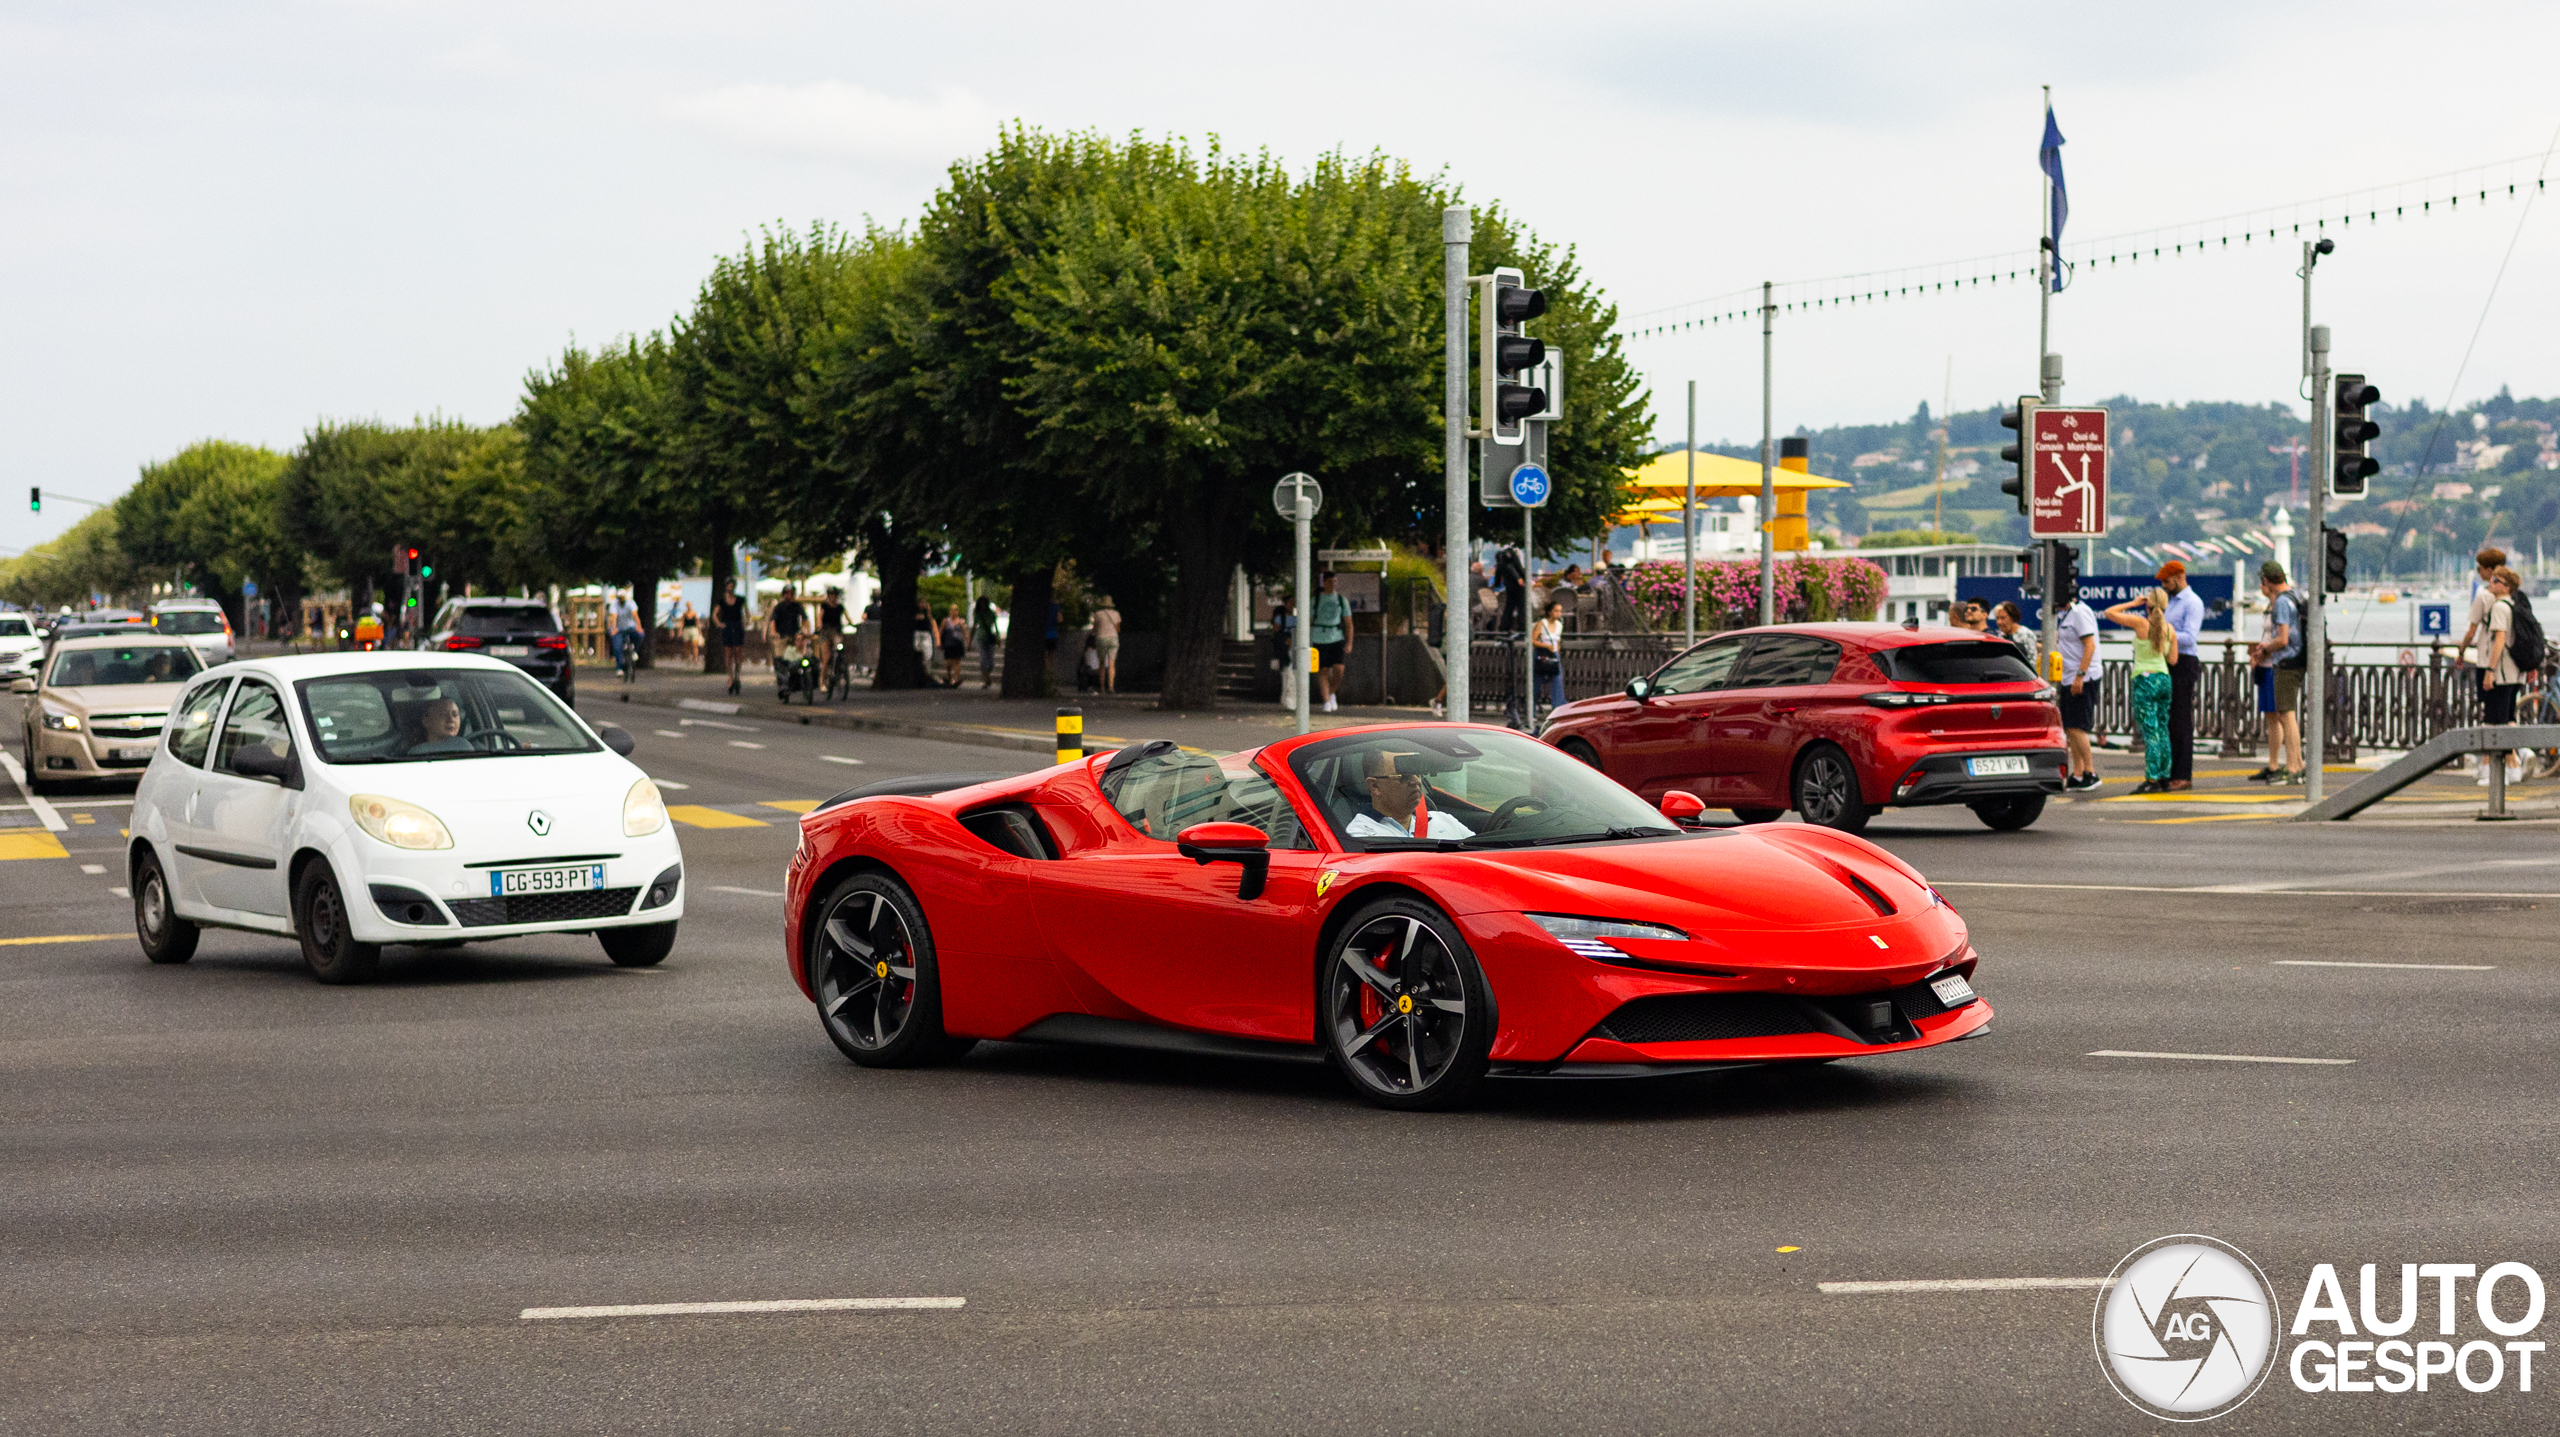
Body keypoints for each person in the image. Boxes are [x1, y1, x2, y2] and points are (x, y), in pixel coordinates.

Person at [2104, 589, 2180, 794]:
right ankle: (2164, 777)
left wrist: (2132, 603)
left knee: (2150, 731)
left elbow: (2109, 613)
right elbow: (2173, 660)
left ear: (2147, 605)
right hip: (2164, 679)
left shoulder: (2140, 624)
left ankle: (2151, 779)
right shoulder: (2170, 630)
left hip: (2145, 680)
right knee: (2163, 729)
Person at [2245, 562, 2304, 785]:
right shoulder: (2295, 595)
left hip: (2286, 661)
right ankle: (2296, 765)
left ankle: (2292, 768)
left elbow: (2282, 638)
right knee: (2286, 716)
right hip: (2298, 659)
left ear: (2267, 581)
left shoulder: (2281, 602)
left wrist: (2264, 650)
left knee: (2286, 715)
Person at [1345, 751, 1476, 840]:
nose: (1416, 781)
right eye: (1403, 776)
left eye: (1417, 773)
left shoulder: (1446, 820)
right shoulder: (1360, 835)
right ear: (1375, 786)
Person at [2475, 566, 2527, 787]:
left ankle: (2499, 770)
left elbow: (2499, 641)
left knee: (2494, 721)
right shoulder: (2512, 606)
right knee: (2506, 720)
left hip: (2502, 673)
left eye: (2496, 580)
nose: (2491, 583)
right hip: (2514, 672)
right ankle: (2513, 766)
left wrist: (2490, 670)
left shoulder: (2499, 607)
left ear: (2506, 587)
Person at [2158, 560, 2205, 791]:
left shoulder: (2193, 602)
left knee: (2181, 721)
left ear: (2179, 577)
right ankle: (2170, 770)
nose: (2164, 586)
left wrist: (2166, 633)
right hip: (2168, 660)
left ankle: (2183, 774)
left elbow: (2190, 636)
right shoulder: (2171, 602)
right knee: (2168, 721)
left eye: (2167, 581)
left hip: (2184, 662)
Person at [2057, 587, 2104, 792]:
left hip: (2082, 677)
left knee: (2077, 726)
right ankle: (2077, 773)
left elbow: (2090, 645)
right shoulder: (2065, 614)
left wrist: (2080, 675)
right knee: (2070, 727)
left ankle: (2090, 772)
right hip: (2068, 677)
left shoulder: (2079, 612)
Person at [1311, 573, 1353, 713]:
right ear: (1324, 582)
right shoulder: (1316, 600)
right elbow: (1309, 620)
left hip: (1336, 637)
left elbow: (1348, 623)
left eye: (1335, 581)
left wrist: (1349, 642)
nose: (1333, 584)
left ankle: (1332, 692)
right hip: (1319, 637)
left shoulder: (1341, 600)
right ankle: (1326, 701)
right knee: (1323, 670)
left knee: (1339, 668)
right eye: (1330, 581)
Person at [712, 580, 748, 695]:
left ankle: (737, 675)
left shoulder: (740, 599)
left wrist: (746, 622)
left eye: (732, 586)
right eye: (729, 586)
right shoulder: (722, 601)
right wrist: (719, 624)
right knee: (728, 653)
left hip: (737, 625)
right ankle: (730, 677)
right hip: (727, 626)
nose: (730, 588)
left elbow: (746, 612)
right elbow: (714, 614)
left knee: (738, 652)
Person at [1532, 599, 1566, 713]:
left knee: (1557, 680)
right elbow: (1533, 640)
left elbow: (1558, 641)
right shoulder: (1542, 623)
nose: (1559, 614)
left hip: (1554, 654)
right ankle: (1533, 706)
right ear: (1550, 612)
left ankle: (1557, 707)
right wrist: (1546, 646)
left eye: (1560, 611)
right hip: (1542, 653)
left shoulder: (1559, 625)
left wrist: (1557, 652)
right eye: (1556, 611)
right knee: (1537, 681)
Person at [1089, 595, 1123, 694]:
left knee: (1102, 663)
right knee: (1112, 663)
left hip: (1101, 638)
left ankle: (1102, 687)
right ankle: (1111, 687)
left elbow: (1095, 629)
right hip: (1113, 639)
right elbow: (1118, 628)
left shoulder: (1098, 614)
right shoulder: (1116, 614)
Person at [816, 588, 847, 692]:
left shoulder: (840, 607)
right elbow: (820, 617)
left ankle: (840, 670)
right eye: (831, 595)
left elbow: (847, 617)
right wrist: (819, 625)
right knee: (826, 658)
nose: (832, 597)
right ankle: (822, 681)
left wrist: (853, 623)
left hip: (836, 632)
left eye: (834, 595)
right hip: (825, 632)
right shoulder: (824, 606)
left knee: (840, 649)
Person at [1993, 601, 2038, 672]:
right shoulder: (1999, 635)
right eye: (1997, 618)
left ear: (2012, 618)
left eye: (2003, 618)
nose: (1999, 622)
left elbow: (2032, 662)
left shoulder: (2026, 634)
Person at [607, 589, 642, 675]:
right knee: (617, 647)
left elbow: (635, 615)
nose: (621, 599)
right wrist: (614, 628)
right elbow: (614, 617)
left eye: (622, 597)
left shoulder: (631, 603)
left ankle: (635, 651)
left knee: (640, 635)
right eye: (620, 598)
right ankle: (619, 668)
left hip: (630, 627)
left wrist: (639, 627)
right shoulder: (614, 605)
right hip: (619, 629)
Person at [973, 593, 1001, 689]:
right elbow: (974, 626)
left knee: (989, 659)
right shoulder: (978, 614)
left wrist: (997, 637)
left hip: (988, 638)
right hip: (982, 637)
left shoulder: (990, 614)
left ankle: (987, 677)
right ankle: (987, 678)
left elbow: (994, 626)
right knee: (984, 659)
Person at [939, 603, 969, 687]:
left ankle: (956, 679)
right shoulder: (945, 621)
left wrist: (968, 642)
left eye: (955, 610)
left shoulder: (961, 621)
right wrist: (939, 642)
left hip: (958, 644)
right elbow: (940, 632)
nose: (954, 612)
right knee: (948, 663)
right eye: (952, 610)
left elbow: (965, 633)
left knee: (957, 662)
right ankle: (948, 676)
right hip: (948, 644)